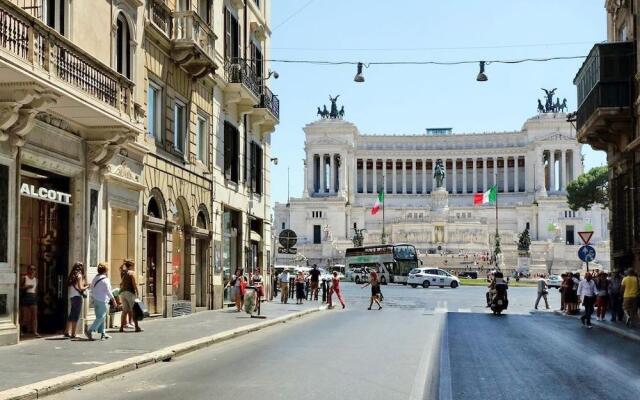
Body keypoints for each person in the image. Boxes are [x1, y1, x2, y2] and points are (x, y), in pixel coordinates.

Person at [86, 263, 117, 341]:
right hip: (103, 300)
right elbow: (109, 291)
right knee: (102, 317)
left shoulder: (95, 278)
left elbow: (92, 288)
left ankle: (103, 334)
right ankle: (90, 330)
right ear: (106, 270)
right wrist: (113, 300)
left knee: (100, 317)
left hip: (96, 300)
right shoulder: (106, 280)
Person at [65, 262, 89, 338]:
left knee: (71, 314)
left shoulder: (72, 275)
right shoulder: (79, 276)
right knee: (76, 315)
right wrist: (88, 286)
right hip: (77, 297)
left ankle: (66, 331)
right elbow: (81, 288)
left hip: (72, 296)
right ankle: (73, 333)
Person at [119, 260, 142, 333]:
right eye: (133, 265)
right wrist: (137, 292)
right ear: (131, 266)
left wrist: (124, 263)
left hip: (123, 293)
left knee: (124, 311)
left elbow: (120, 268)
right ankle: (137, 327)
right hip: (130, 293)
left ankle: (121, 328)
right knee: (134, 310)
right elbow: (134, 284)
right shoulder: (131, 273)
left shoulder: (123, 272)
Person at [20, 265, 39, 337]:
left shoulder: (36, 280)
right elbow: (20, 288)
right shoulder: (24, 278)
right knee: (25, 317)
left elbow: (35, 290)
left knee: (34, 316)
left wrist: (36, 297)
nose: (32, 271)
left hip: (33, 298)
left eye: (34, 269)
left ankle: (35, 332)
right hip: (25, 297)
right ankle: (20, 330)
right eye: (31, 269)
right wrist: (26, 287)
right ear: (28, 270)